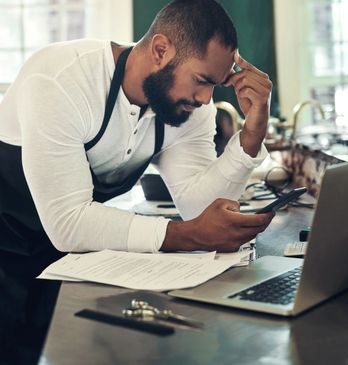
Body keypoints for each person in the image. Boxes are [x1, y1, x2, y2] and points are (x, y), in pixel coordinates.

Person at [0, 0, 273, 362]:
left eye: (216, 85)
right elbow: (67, 221)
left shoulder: (187, 108)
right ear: (161, 50)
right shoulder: (60, 78)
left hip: (69, 255)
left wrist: (251, 136)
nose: (207, 99)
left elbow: (199, 207)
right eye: (202, 81)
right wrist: (187, 234)